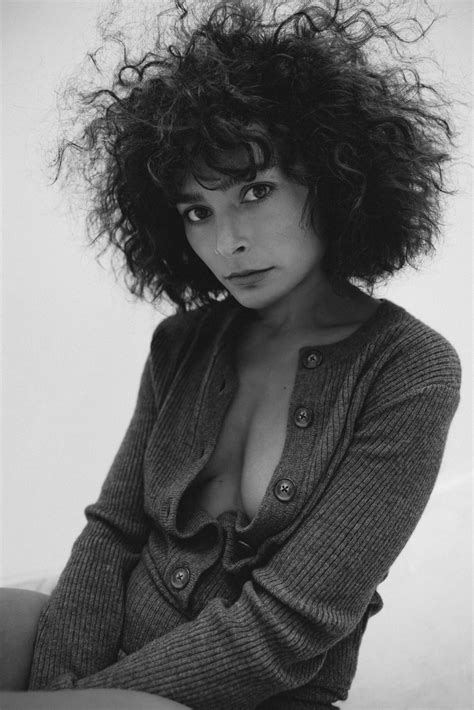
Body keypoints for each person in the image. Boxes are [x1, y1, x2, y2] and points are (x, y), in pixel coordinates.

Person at [0, 1, 462, 708]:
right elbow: (114, 531)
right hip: (101, 667)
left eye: (256, 190)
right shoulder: (181, 343)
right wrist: (61, 685)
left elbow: (288, 626)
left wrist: (83, 701)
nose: (226, 243)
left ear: (336, 180)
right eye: (197, 211)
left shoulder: (408, 368)